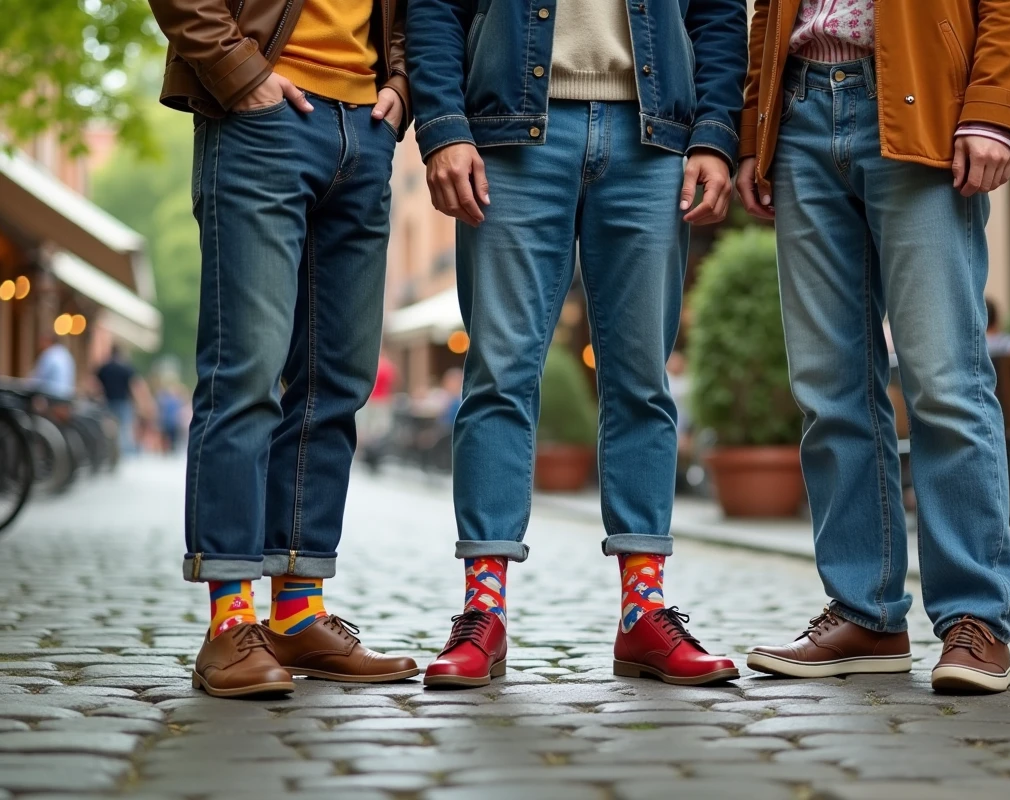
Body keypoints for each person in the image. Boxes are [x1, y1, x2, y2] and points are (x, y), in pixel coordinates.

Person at [408, 0, 748, 688]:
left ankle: (643, 614)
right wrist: (444, 126)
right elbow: (434, 7)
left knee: (642, 381)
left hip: (652, 136)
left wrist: (714, 133)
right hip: (509, 132)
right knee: (498, 375)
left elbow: (717, 11)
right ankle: (484, 612)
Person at [736, 0, 1010, 693]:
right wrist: (755, 127)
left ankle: (976, 617)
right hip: (802, 110)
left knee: (943, 379)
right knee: (826, 387)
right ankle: (865, 613)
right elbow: (768, 12)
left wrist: (994, 107)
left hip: (919, 102)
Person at [147, 0, 417, 698]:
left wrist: (401, 86)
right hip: (262, 115)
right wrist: (242, 74)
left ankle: (298, 612)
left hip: (366, 127)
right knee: (247, 374)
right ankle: (229, 623)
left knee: (338, 381)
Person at [96, 347, 138, 453]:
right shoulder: (126, 368)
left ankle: (110, 451)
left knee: (108, 427)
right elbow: (133, 386)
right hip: (123, 402)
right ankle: (122, 452)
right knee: (124, 428)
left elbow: (96, 384)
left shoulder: (104, 368)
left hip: (108, 401)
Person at [31, 334, 75, 398]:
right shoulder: (65, 353)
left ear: (48, 341)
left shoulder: (49, 354)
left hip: (53, 397)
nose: (40, 345)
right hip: (67, 396)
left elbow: (38, 378)